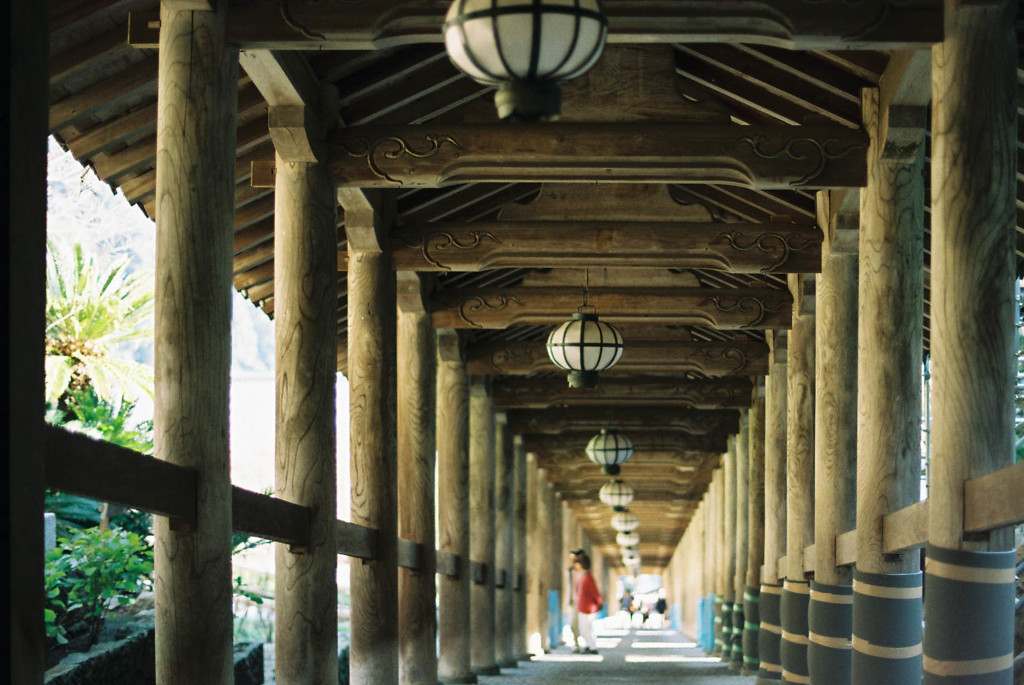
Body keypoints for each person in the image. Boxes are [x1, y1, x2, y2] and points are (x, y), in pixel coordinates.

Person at [572, 551, 603, 654]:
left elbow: (594, 591)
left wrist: (599, 602)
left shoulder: (588, 577)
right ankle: (590, 645)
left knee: (586, 629)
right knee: (583, 629)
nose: (575, 565)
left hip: (588, 609)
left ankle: (593, 647)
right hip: (583, 607)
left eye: (577, 563)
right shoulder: (583, 576)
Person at [568, 549, 583, 652]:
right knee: (573, 624)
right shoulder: (570, 571)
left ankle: (583, 644)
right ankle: (576, 642)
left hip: (581, 602)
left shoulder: (583, 573)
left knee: (580, 624)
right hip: (573, 602)